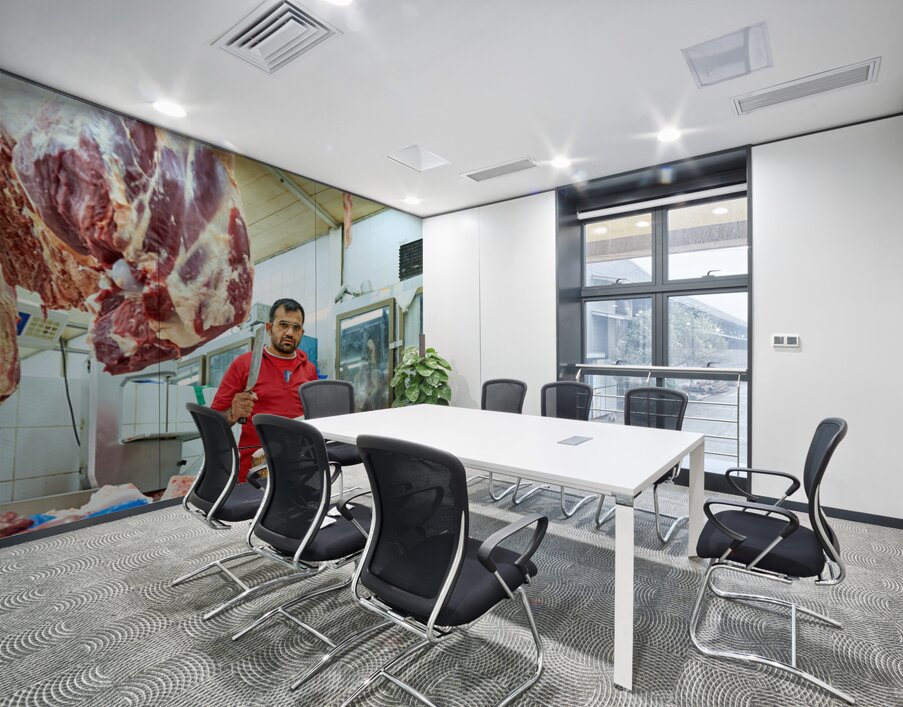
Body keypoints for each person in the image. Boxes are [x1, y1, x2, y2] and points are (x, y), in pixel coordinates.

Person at [211, 298, 318, 482]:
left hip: (301, 466)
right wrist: (232, 414)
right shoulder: (244, 364)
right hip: (255, 468)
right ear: (269, 328)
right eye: (283, 325)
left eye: (296, 327)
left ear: (302, 332)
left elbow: (316, 418)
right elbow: (212, 424)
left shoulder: (309, 369)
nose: (290, 333)